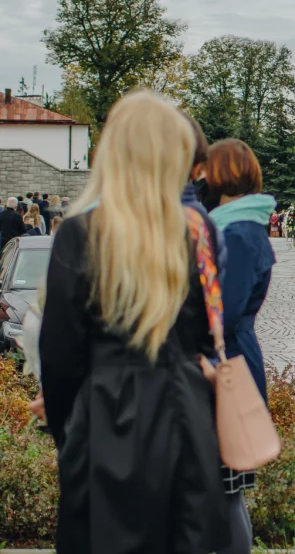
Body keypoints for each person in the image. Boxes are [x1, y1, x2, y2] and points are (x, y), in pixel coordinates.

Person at [38, 91, 230, 553]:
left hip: (106, 411)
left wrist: (71, 430)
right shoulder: (197, 235)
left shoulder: (81, 236)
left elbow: (61, 357)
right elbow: (209, 335)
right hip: (185, 408)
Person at [205, 138, 276, 554]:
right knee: (221, 484)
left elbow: (224, 313)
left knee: (227, 486)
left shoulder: (241, 231)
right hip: (229, 354)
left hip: (229, 360)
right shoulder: (235, 224)